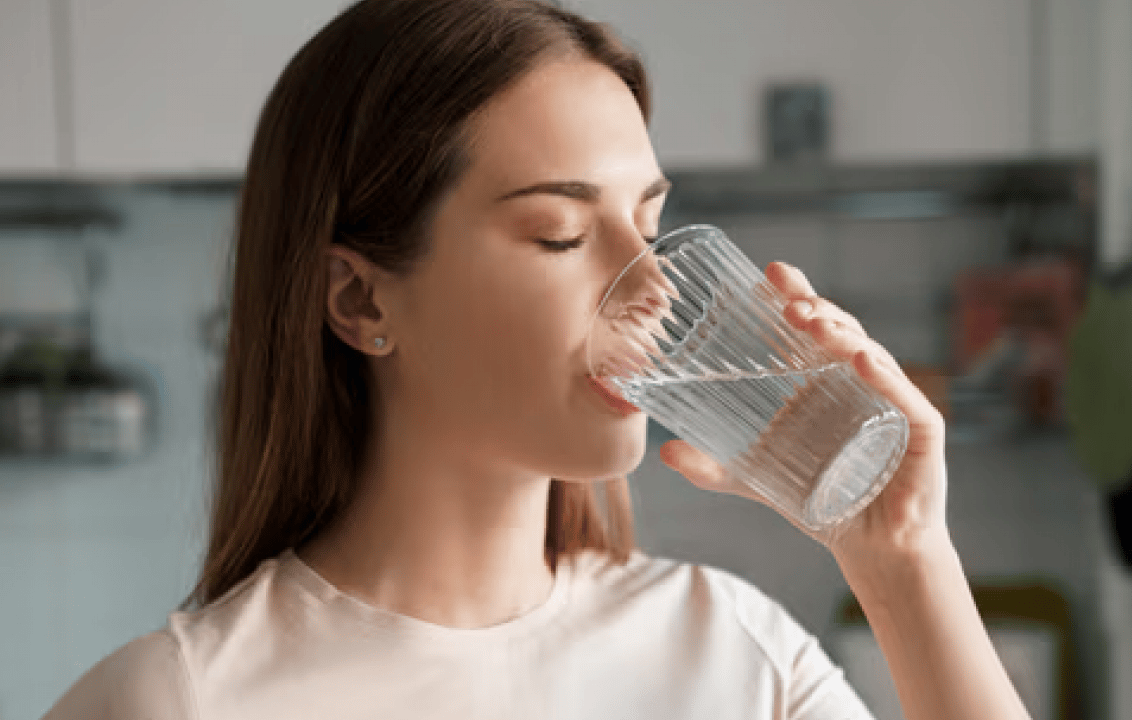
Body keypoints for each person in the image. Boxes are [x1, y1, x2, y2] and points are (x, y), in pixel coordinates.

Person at [45, 1, 1032, 718]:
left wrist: (900, 563)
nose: (653, 286)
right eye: (560, 234)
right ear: (358, 298)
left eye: (649, 222)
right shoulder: (182, 700)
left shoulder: (729, 649)